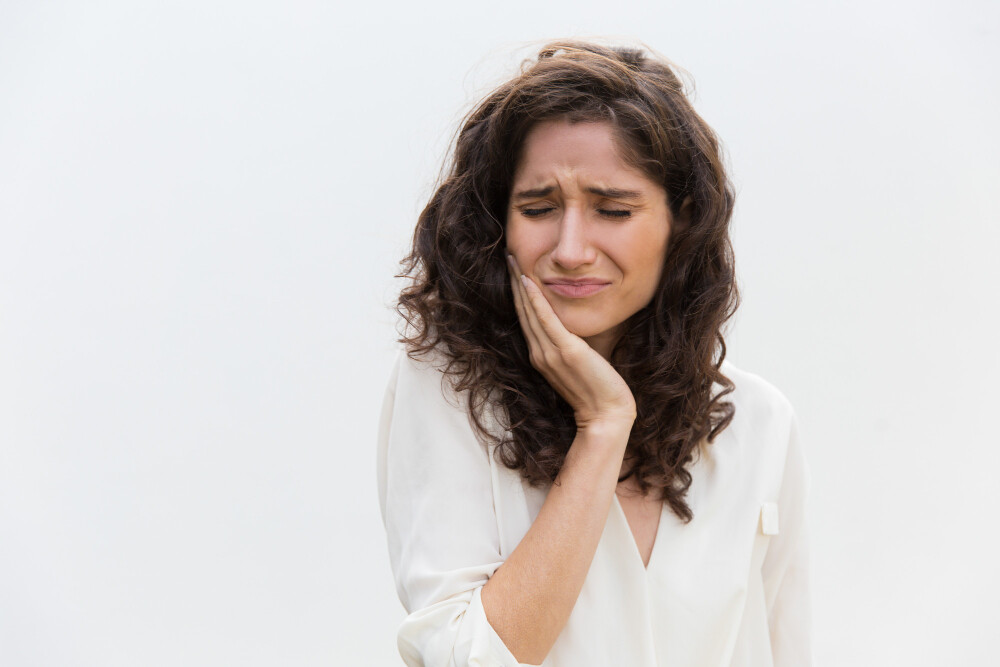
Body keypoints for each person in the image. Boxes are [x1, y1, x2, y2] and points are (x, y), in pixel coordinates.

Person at [377, 39, 814, 667]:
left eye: (612, 209)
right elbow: (467, 658)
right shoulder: (449, 390)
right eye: (537, 208)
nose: (571, 248)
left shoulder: (761, 422)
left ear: (681, 223)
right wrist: (603, 426)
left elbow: (783, 649)